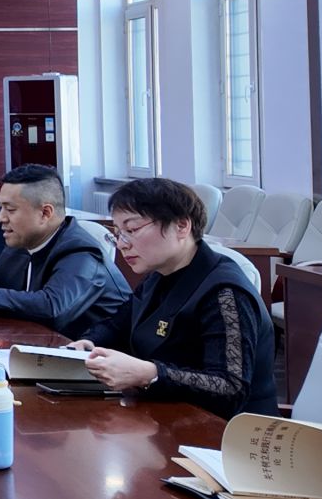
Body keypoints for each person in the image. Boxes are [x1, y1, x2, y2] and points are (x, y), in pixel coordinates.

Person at [67, 177, 277, 418]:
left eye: (131, 230)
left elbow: (229, 388)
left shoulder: (225, 293)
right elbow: (118, 325)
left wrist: (150, 374)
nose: (122, 244)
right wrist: (88, 343)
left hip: (228, 431)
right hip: (169, 416)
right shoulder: (159, 275)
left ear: (181, 226)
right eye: (118, 233)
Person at [0, 164, 128, 336]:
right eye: (0, 208)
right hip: (38, 349)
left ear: (45, 213)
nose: (0, 218)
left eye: (10, 209)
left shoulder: (81, 253)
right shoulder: (25, 242)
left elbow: (51, 308)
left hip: (96, 360)